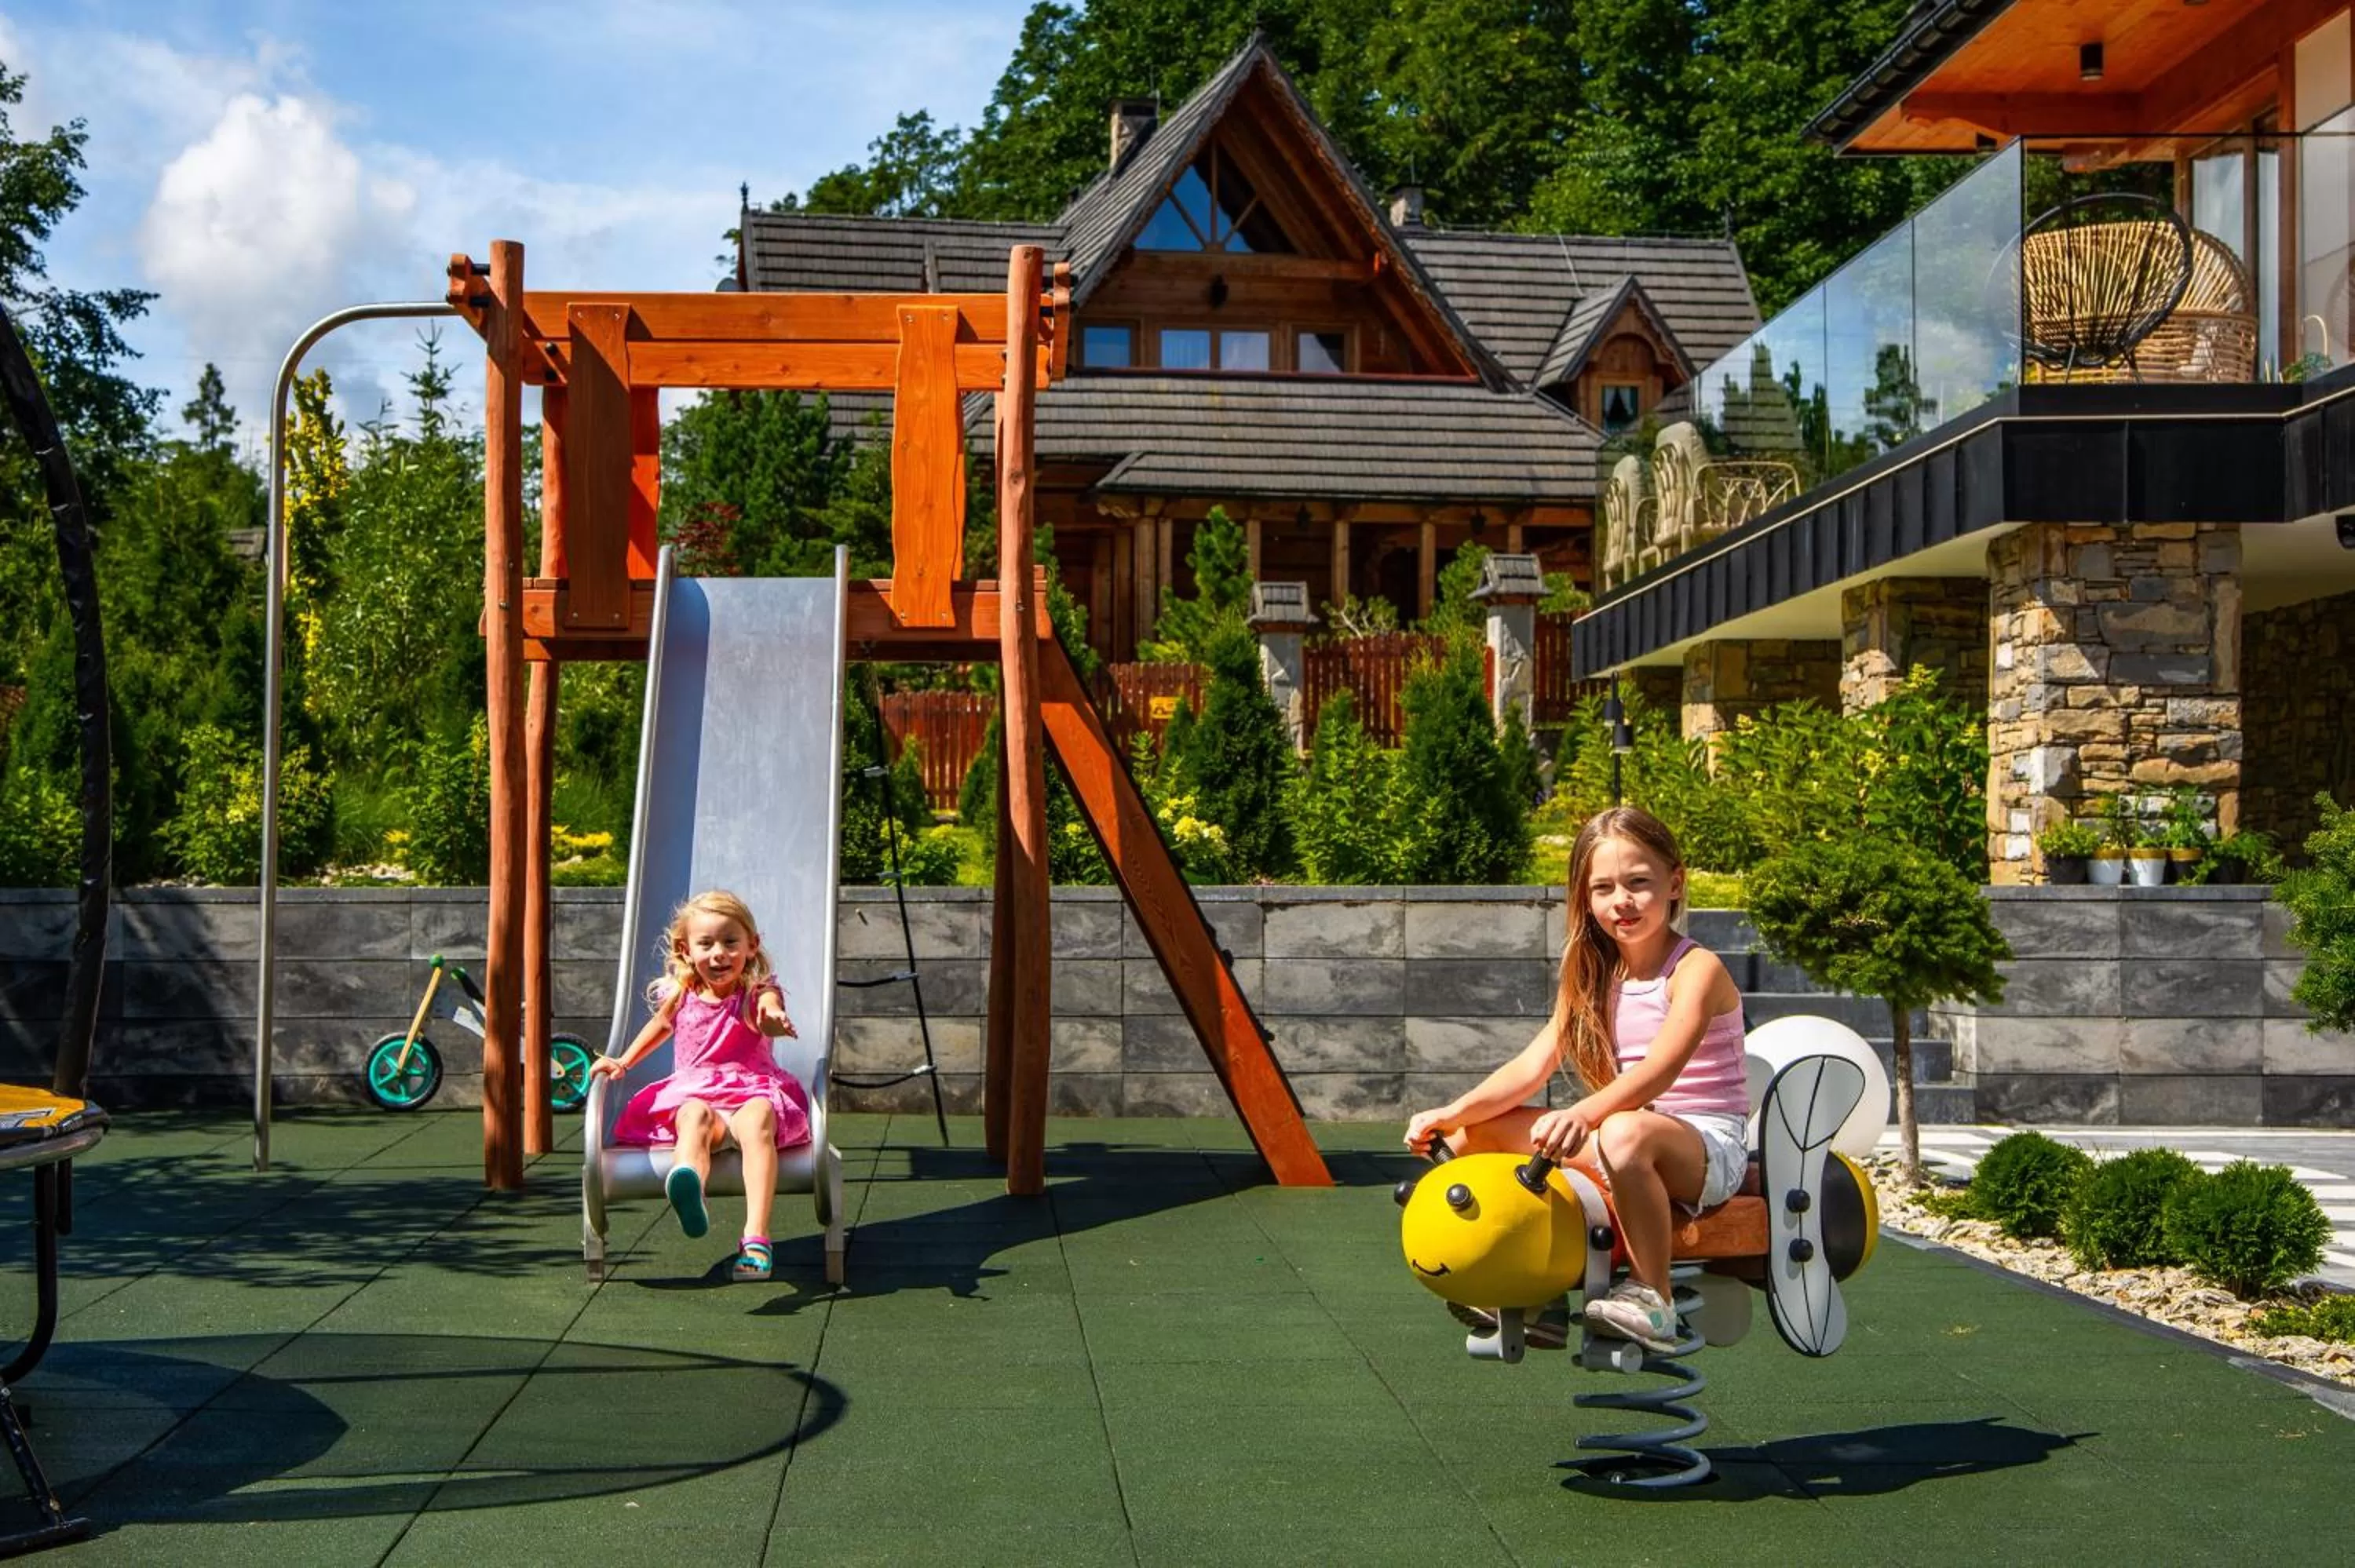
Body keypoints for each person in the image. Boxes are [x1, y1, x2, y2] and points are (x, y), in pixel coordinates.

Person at [1403, 806, 1749, 1351]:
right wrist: (1455, 1114)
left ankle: (1653, 1299)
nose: (1623, 902)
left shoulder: (1696, 969)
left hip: (1706, 1145)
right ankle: (1527, 1296)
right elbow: (1531, 1067)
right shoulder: (1590, 973)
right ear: (1585, 899)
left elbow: (1660, 1071)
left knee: (1621, 1132)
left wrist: (1585, 1115)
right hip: (1627, 1131)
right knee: (1478, 1138)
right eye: (1604, 889)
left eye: (1639, 883)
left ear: (1675, 883)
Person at [595, 889, 810, 1282]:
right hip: (698, 1096)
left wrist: (775, 1018)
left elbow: (768, 1011)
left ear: (751, 946)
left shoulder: (757, 991)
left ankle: (756, 1237)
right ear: (685, 949)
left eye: (731, 943)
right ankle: (689, 1185)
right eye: (706, 944)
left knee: (760, 1118)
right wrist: (623, 1061)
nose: (719, 954)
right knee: (691, 1116)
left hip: (750, 1094)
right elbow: (660, 1026)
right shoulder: (682, 995)